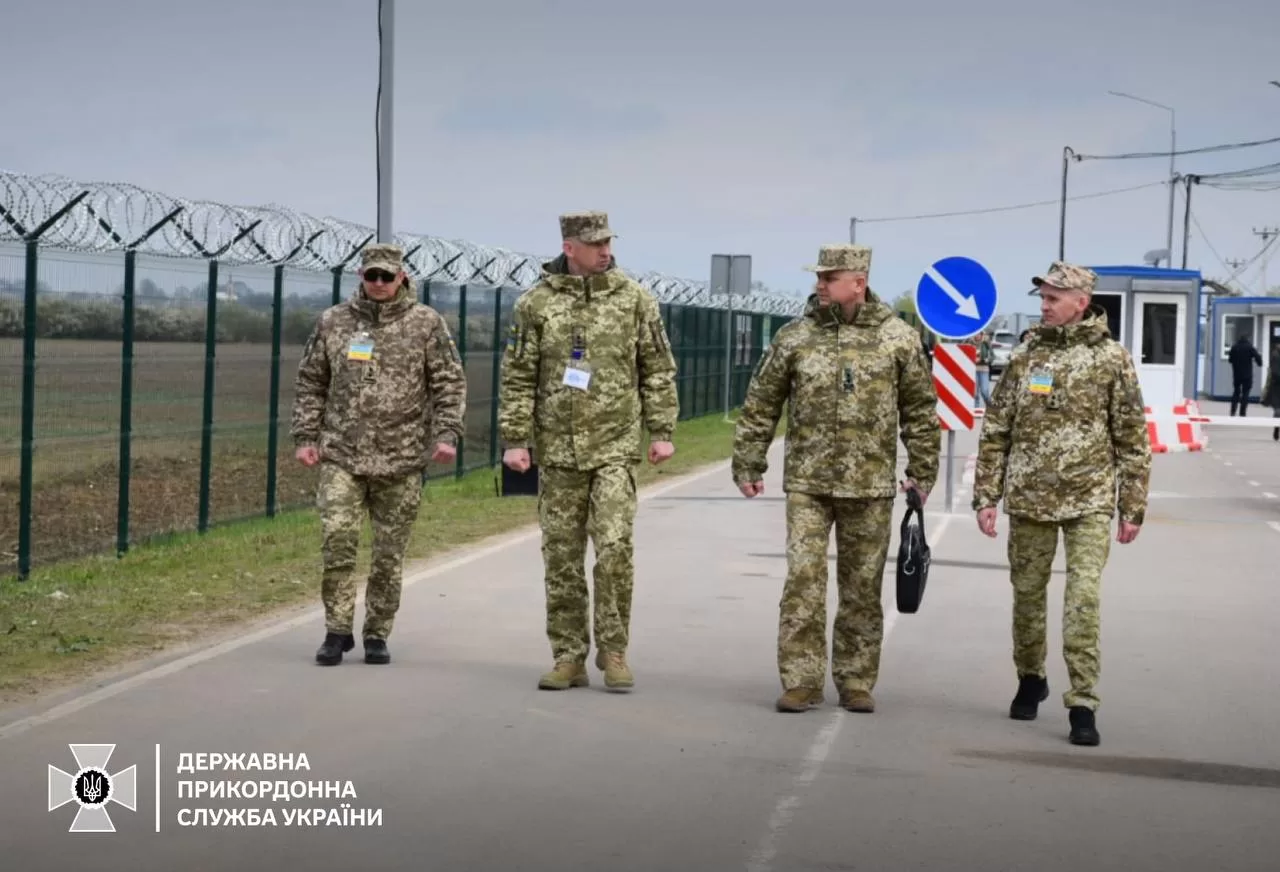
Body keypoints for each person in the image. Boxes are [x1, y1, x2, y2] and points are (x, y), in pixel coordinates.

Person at [731, 244, 940, 714]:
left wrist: (922, 472)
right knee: (803, 581)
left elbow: (920, 411)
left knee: (862, 587)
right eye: (819, 277)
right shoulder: (795, 336)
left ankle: (856, 679)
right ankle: (801, 680)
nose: (820, 284)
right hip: (808, 482)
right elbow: (762, 402)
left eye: (830, 277)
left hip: (869, 487)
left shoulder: (897, 339)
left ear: (858, 282)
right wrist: (749, 462)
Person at [498, 211, 679, 692]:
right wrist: (515, 440)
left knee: (614, 548)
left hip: (615, 445)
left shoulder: (633, 299)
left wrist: (661, 430)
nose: (605, 251)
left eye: (607, 242)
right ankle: (568, 655)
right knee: (561, 557)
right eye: (595, 243)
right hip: (558, 450)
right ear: (569, 247)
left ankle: (614, 651)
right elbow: (518, 375)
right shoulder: (536, 303)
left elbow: (657, 367)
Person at [972, 260, 1151, 747]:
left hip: (1089, 500)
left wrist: (1132, 506)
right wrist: (986, 495)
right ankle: (1031, 677)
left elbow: (1132, 437)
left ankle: (1083, 702)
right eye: (1043, 298)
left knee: (1082, 600)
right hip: (1029, 498)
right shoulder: (1026, 355)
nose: (1045, 306)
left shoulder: (1111, 358)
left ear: (1081, 303)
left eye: (1054, 298)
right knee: (1028, 597)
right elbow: (997, 429)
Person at [291, 243, 468, 666]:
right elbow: (311, 381)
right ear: (361, 276)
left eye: (387, 276)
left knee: (388, 555)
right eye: (372, 275)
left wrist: (447, 434)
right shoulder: (334, 321)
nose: (379, 283)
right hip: (342, 454)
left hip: (401, 457)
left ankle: (376, 632)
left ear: (401, 277)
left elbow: (448, 382)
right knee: (337, 541)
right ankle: (336, 630)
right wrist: (305, 436)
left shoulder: (425, 323)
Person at [1227, 334, 1263, 416]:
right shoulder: (1249, 347)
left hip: (1237, 374)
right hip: (1247, 375)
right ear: (1247, 339)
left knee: (1236, 392)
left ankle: (1233, 411)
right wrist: (1260, 363)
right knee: (1245, 393)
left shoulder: (1234, 347)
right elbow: (1257, 357)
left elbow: (1230, 360)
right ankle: (1242, 412)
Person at [1262, 344, 1280, 441]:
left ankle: (1276, 429)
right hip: (1276, 388)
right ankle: (1276, 429)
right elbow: (1275, 373)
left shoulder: (1275, 355)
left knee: (1278, 410)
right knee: (1278, 410)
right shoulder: (1275, 356)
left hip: (1276, 386)